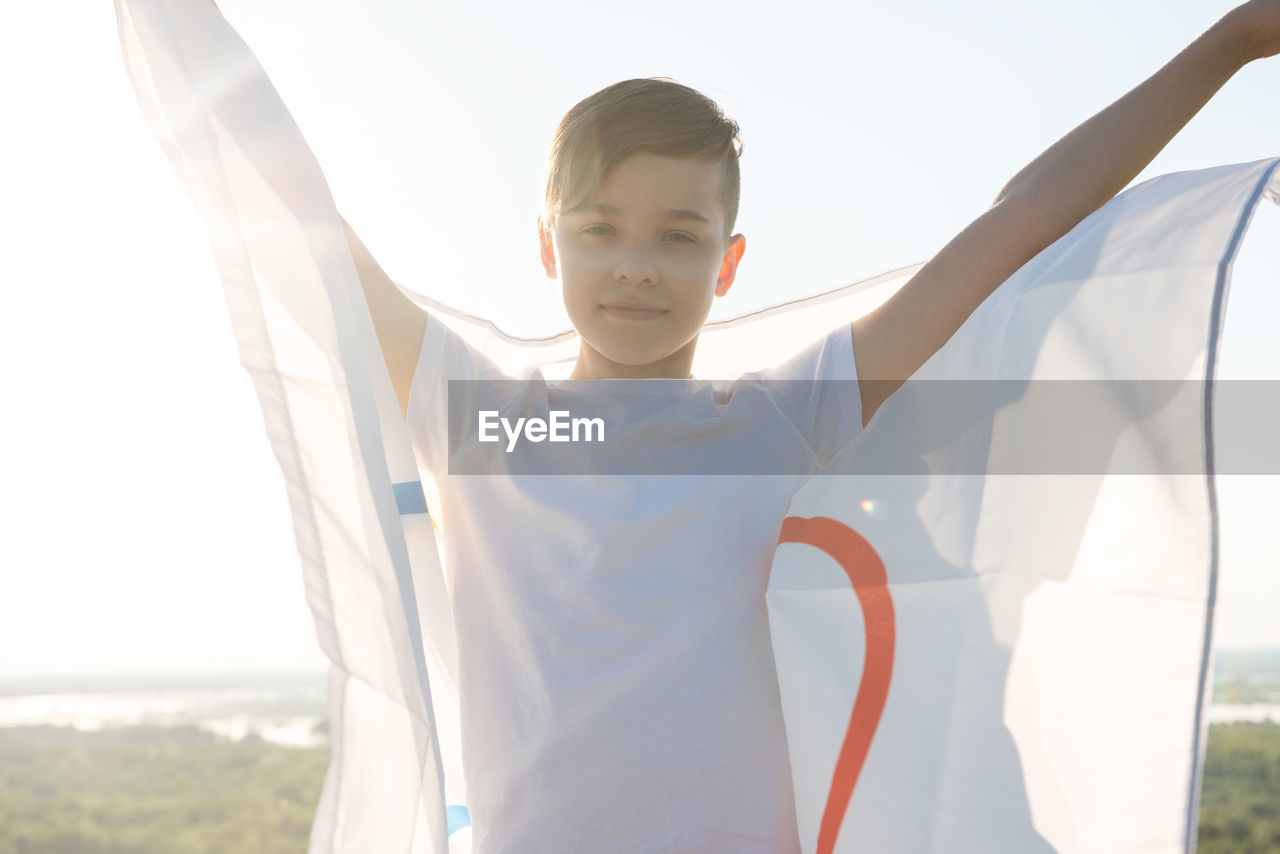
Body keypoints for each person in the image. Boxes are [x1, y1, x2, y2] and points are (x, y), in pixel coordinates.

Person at [328, 4, 1279, 852]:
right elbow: (295, 216)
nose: (634, 266)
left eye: (679, 236)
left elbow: (1020, 223)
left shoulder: (786, 420)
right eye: (598, 228)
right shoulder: (486, 425)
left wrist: (1232, 41)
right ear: (548, 242)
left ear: (728, 263)